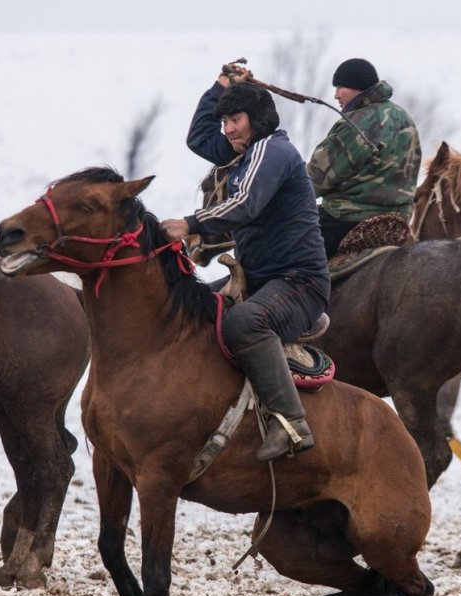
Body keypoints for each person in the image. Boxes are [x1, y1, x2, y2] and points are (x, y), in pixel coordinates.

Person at [161, 69, 330, 462]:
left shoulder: (273, 151)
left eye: (235, 120)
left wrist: (189, 224)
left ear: (258, 120)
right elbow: (199, 138)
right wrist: (220, 88)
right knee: (191, 308)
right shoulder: (246, 153)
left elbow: (245, 204)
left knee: (244, 322)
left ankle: (291, 424)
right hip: (258, 278)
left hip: (298, 283)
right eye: (225, 121)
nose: (228, 130)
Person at [306, 58, 421, 260]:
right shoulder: (404, 117)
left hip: (348, 219)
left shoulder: (358, 123)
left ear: (356, 87)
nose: (335, 95)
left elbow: (314, 180)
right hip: (399, 221)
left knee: (281, 248)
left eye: (340, 87)